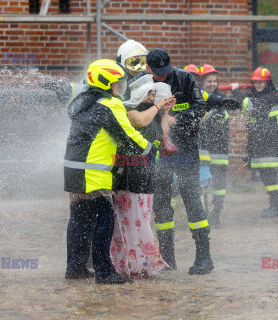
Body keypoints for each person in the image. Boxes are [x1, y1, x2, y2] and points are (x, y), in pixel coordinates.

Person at [64, 59, 156, 285]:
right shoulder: (110, 104)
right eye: (117, 84)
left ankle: (75, 268)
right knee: (104, 220)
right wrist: (149, 149)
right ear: (106, 83)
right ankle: (105, 271)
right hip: (94, 174)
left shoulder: (82, 102)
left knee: (79, 220)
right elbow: (128, 136)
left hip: (73, 171)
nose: (120, 88)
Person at [139, 49, 214, 275]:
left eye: (165, 71)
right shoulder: (142, 83)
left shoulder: (185, 79)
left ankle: (204, 256)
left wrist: (175, 119)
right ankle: (167, 258)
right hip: (158, 151)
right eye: (157, 72)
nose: (162, 76)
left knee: (191, 198)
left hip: (186, 150)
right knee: (161, 204)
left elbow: (200, 108)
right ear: (148, 68)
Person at [111, 74, 177, 278]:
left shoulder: (154, 113)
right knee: (131, 223)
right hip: (130, 175)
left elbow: (162, 137)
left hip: (148, 175)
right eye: (149, 93)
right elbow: (138, 121)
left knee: (142, 221)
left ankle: (141, 264)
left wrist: (164, 113)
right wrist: (158, 107)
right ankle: (137, 264)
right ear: (140, 94)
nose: (153, 96)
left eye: (154, 93)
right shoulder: (129, 110)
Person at [231, 67, 278, 218]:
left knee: (270, 176)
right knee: (267, 176)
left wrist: (236, 92)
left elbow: (249, 107)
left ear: (268, 83)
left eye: (261, 82)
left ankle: (277, 207)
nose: (258, 85)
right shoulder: (259, 96)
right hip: (262, 143)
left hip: (270, 144)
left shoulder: (271, 97)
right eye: (255, 82)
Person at [198, 64, 231, 227]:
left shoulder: (221, 98)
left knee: (219, 185)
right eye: (209, 81)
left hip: (219, 149)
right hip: (203, 149)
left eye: (214, 81)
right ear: (202, 82)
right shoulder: (198, 98)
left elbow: (222, 117)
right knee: (203, 184)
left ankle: (216, 214)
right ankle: (203, 214)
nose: (212, 84)